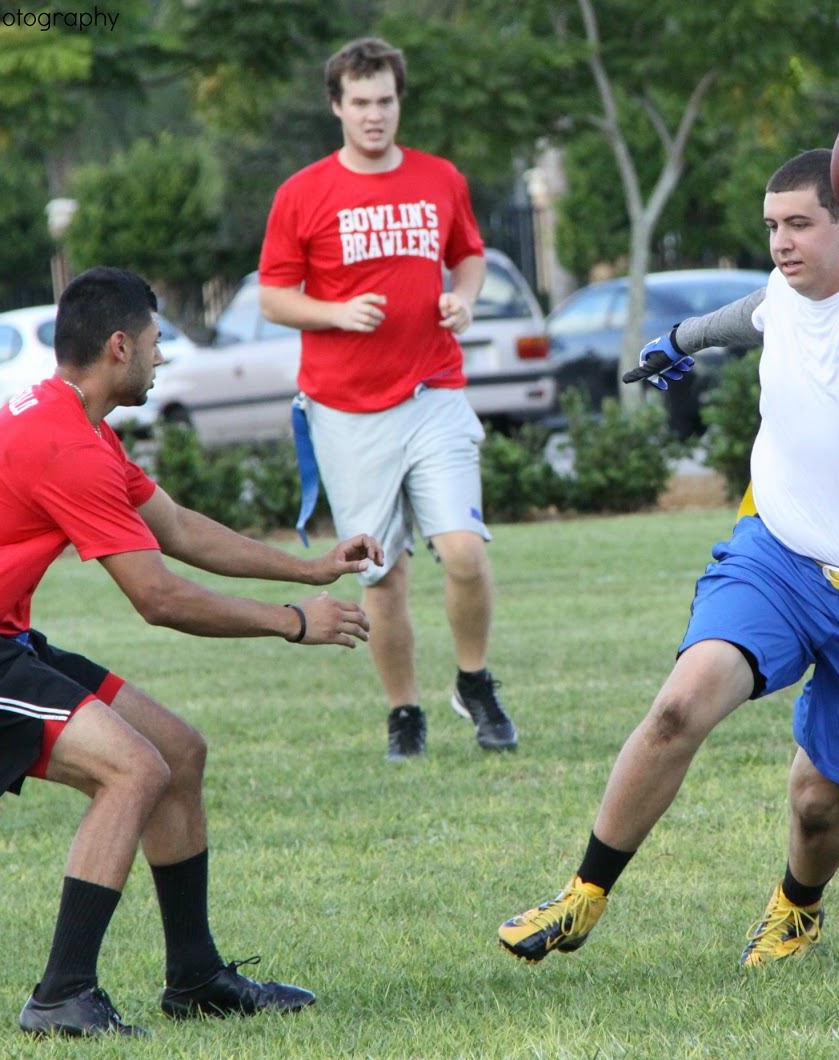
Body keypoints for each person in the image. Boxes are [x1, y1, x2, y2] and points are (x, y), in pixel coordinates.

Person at [497, 145, 839, 968]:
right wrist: (677, 340)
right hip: (778, 559)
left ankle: (798, 906)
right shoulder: (785, 294)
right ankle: (583, 894)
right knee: (678, 707)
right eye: (772, 225)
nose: (781, 242)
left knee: (818, 801)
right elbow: (748, 313)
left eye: (800, 224)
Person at [0, 267, 384, 1037]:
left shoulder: (78, 423)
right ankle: (61, 995)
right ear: (119, 346)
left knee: (177, 752)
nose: (161, 358)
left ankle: (196, 979)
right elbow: (159, 598)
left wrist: (309, 569)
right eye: (155, 343)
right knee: (135, 769)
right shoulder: (65, 443)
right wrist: (291, 621)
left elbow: (176, 528)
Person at [257, 36, 515, 762]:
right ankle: (405, 712)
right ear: (337, 106)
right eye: (361, 102)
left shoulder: (440, 178)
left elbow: (468, 256)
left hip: (433, 390)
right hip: (345, 410)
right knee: (381, 573)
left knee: (464, 552)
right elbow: (274, 298)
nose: (375, 115)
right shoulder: (302, 192)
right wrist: (335, 314)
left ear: (400, 102)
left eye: (386, 101)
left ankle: (474, 681)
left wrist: (464, 299)